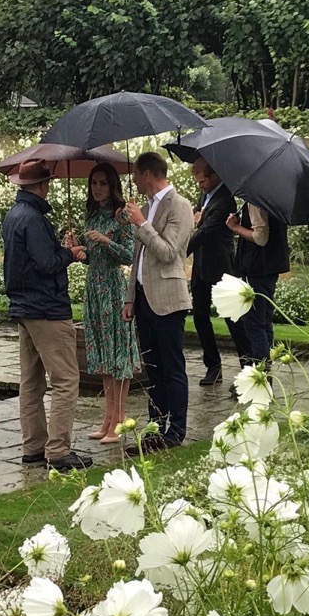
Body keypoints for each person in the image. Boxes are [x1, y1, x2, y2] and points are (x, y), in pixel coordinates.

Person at [2, 159, 92, 472]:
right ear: (42, 185)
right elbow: (46, 264)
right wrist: (70, 253)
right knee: (66, 379)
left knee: (31, 381)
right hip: (47, 308)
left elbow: (33, 258)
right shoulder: (34, 218)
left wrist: (59, 248)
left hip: (25, 307)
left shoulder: (15, 214)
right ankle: (58, 450)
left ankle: (34, 447)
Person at [121, 152, 194, 455]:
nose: (134, 180)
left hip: (167, 298)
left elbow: (167, 252)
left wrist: (142, 224)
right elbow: (139, 257)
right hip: (143, 299)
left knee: (171, 366)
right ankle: (155, 428)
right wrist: (129, 297)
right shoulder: (148, 206)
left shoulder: (180, 205)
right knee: (152, 368)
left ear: (149, 174)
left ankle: (175, 430)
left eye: (136, 174)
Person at [75, 163, 141, 443]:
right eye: (94, 183)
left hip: (113, 288)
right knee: (102, 356)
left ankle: (119, 420)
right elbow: (92, 256)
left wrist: (105, 241)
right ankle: (107, 419)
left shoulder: (121, 216)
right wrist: (80, 251)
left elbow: (129, 255)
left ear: (112, 185)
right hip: (93, 287)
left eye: (103, 183)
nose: (97, 188)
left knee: (117, 355)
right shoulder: (92, 215)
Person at [187, 157, 249, 385]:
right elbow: (199, 215)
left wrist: (177, 253)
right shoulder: (206, 193)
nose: (200, 185)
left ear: (214, 176)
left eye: (202, 181)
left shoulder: (225, 201)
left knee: (234, 319)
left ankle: (248, 369)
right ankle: (213, 365)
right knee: (200, 316)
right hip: (201, 266)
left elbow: (206, 232)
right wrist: (196, 216)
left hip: (221, 267)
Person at [226, 201, 290, 368]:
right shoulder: (273, 197)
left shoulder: (257, 200)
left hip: (257, 268)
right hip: (270, 267)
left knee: (254, 325)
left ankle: (260, 375)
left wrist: (236, 227)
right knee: (264, 322)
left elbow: (260, 237)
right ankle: (264, 373)